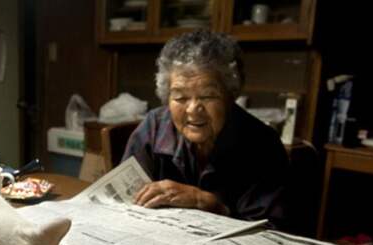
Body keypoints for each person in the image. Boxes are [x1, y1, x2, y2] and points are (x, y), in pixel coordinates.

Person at [122, 30, 289, 227]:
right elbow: (123, 201)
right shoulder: (154, 126)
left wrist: (207, 203)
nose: (193, 110)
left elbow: (270, 232)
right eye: (180, 97)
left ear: (230, 95)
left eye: (207, 96)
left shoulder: (262, 143)